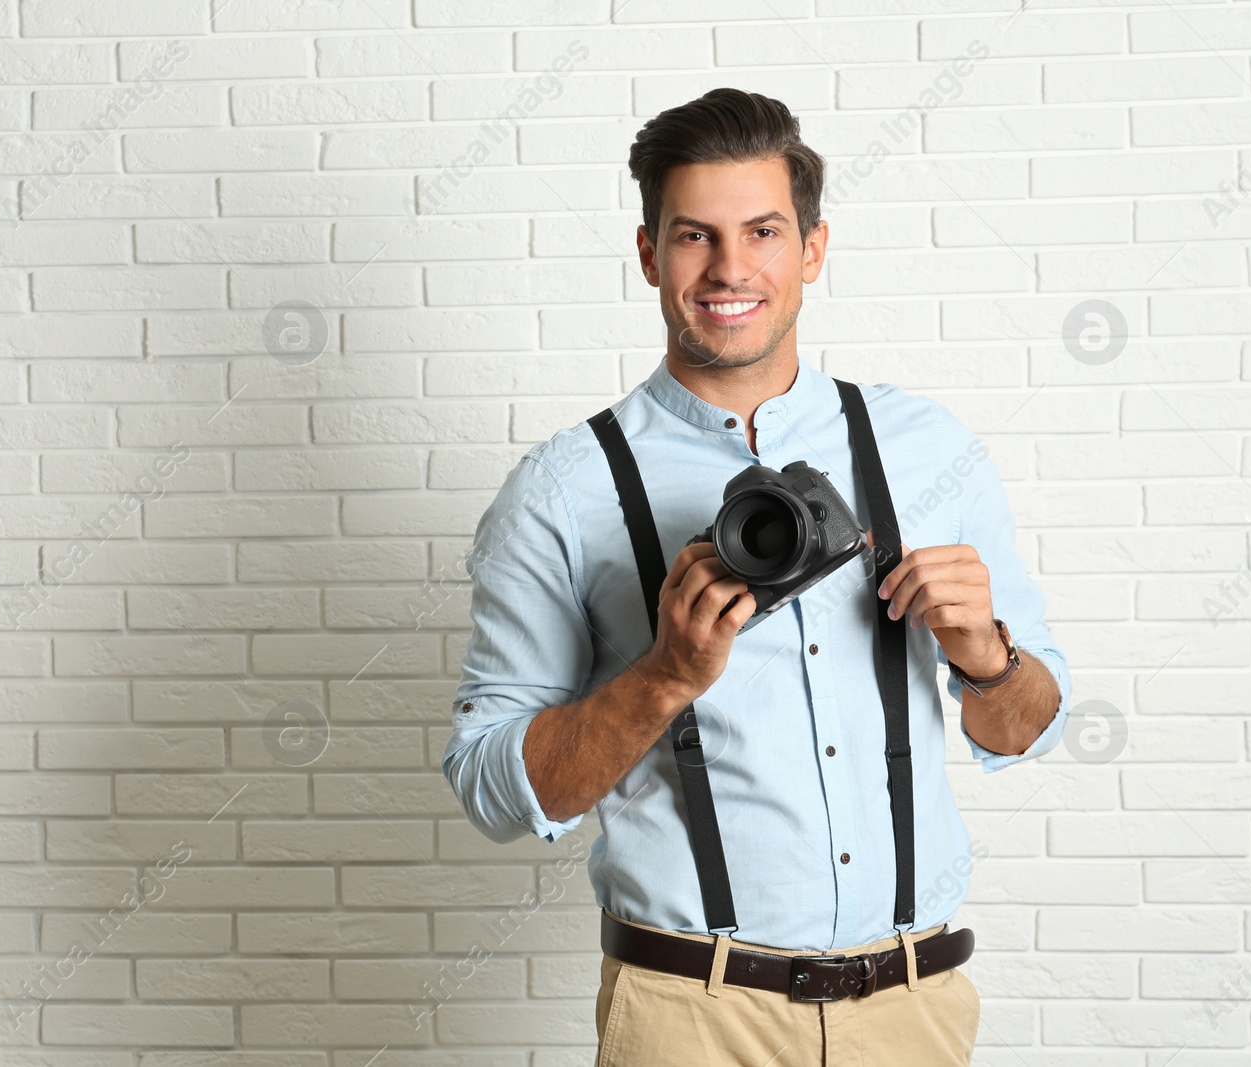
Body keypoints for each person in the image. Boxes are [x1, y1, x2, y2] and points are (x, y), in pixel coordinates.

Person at [441, 88, 1071, 1066]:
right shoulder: (563, 490)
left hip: (910, 1009)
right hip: (689, 1013)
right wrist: (662, 676)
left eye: (763, 231)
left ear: (812, 248)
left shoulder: (924, 448)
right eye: (693, 234)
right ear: (649, 253)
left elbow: (1026, 723)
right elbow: (489, 784)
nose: (729, 268)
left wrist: (985, 654)